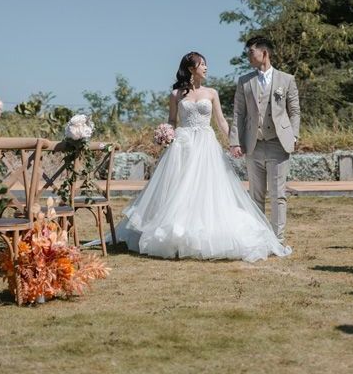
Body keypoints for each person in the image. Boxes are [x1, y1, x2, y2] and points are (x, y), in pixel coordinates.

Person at [114, 51, 291, 262]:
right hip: (183, 145)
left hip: (206, 145)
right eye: (202, 64)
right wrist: (166, 133)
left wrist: (235, 142)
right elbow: (172, 120)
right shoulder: (176, 94)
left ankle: (206, 232)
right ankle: (177, 233)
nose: (206, 68)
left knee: (207, 189)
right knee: (180, 189)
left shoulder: (212, 93)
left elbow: (222, 122)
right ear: (191, 68)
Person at [229, 36, 300, 243]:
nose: (248, 56)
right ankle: (258, 238)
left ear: (264, 53)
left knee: (278, 195)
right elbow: (238, 113)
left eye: (251, 52)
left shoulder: (287, 80)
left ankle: (278, 240)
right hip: (254, 144)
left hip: (279, 143)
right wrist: (235, 141)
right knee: (255, 195)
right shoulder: (244, 81)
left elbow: (294, 111)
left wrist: (294, 135)